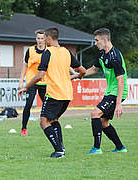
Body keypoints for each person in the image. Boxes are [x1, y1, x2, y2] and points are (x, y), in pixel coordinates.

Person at [18, 27, 86, 158]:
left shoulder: (47, 52)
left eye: (45, 38)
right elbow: (82, 71)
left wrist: (26, 86)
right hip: (67, 94)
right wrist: (75, 77)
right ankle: (61, 147)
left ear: (48, 38)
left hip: (55, 92)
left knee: (44, 121)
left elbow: (40, 75)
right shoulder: (66, 51)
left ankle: (59, 151)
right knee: (53, 119)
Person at [85, 28, 128, 154]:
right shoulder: (102, 54)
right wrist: (77, 75)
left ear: (104, 40)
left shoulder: (115, 56)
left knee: (95, 114)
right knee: (103, 122)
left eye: (97, 40)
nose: (95, 43)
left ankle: (96, 148)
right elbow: (93, 69)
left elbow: (121, 81)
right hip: (110, 92)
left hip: (117, 93)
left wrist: (119, 103)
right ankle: (120, 147)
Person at [18, 29, 47, 136]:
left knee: (47, 105)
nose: (40, 40)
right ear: (36, 39)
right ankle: (24, 128)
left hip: (44, 82)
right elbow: (24, 65)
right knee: (28, 104)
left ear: (45, 39)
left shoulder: (49, 51)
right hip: (31, 82)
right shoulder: (30, 50)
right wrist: (21, 81)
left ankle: (49, 125)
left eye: (42, 38)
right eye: (38, 38)